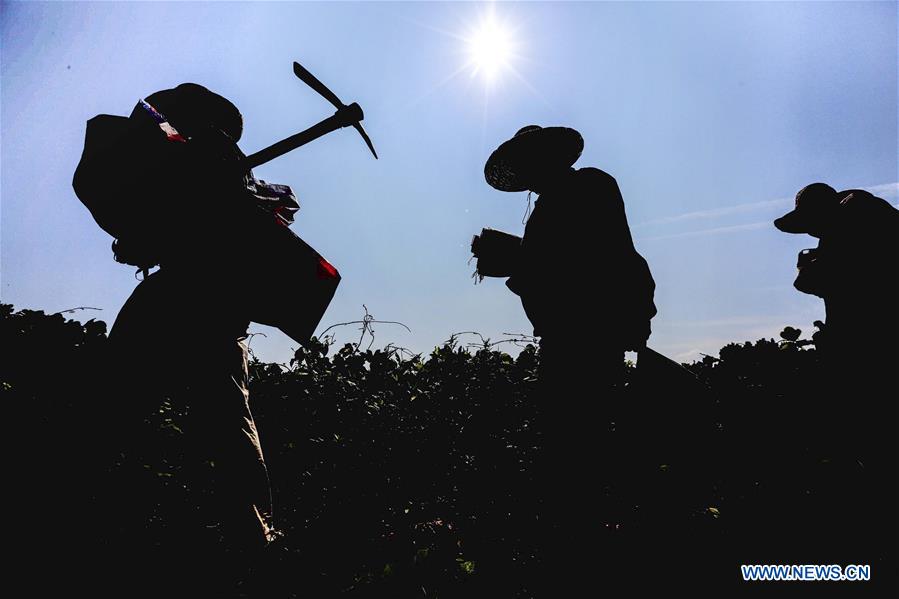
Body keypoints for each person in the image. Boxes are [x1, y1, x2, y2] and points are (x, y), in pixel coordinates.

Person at [73, 84, 290, 595]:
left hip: (198, 300)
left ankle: (254, 542)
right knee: (214, 420)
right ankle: (251, 539)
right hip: (193, 300)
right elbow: (143, 240)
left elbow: (206, 231)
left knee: (200, 418)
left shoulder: (217, 162)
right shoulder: (186, 164)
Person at [482, 125, 657, 593]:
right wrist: (521, 261)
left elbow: (583, 263)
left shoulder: (588, 187)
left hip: (584, 336)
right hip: (574, 335)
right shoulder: (566, 198)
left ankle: (583, 547)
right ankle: (583, 538)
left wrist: (515, 261)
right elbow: (560, 265)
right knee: (576, 437)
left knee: (577, 438)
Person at [774, 182, 898, 586]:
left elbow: (814, 281)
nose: (811, 233)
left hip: (867, 356)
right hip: (872, 351)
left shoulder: (847, 224)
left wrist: (807, 265)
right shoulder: (869, 217)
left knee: (873, 449)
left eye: (811, 224)